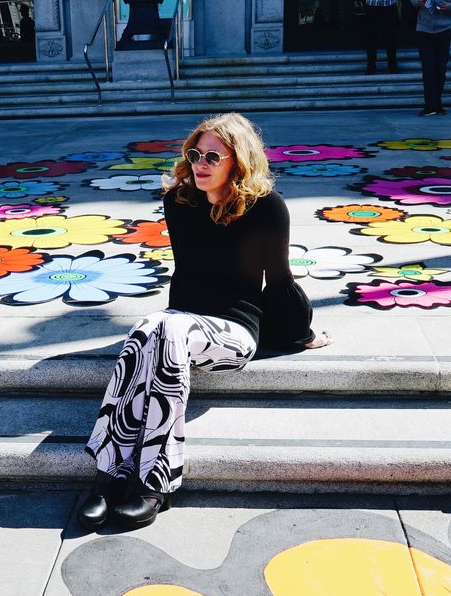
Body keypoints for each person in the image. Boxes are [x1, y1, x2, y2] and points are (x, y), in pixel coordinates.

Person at [80, 113, 332, 532]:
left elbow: (280, 281)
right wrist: (176, 323)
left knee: (164, 327)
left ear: (239, 161)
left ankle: (143, 482)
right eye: (195, 154)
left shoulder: (267, 208)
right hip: (180, 325)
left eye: (213, 157)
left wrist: (301, 334)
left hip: (235, 331)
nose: (200, 164)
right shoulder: (179, 203)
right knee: (149, 327)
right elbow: (190, 275)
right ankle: (113, 477)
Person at [416, 0, 451, 116]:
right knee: (428, 68)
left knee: (441, 68)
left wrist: (450, 6)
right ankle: (430, 105)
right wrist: (417, 2)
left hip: (444, 29)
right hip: (423, 29)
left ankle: (437, 103)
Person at [364, 0, 401, 74]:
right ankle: (371, 66)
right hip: (372, 4)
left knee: (391, 36)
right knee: (371, 37)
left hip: (389, 4)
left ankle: (392, 65)